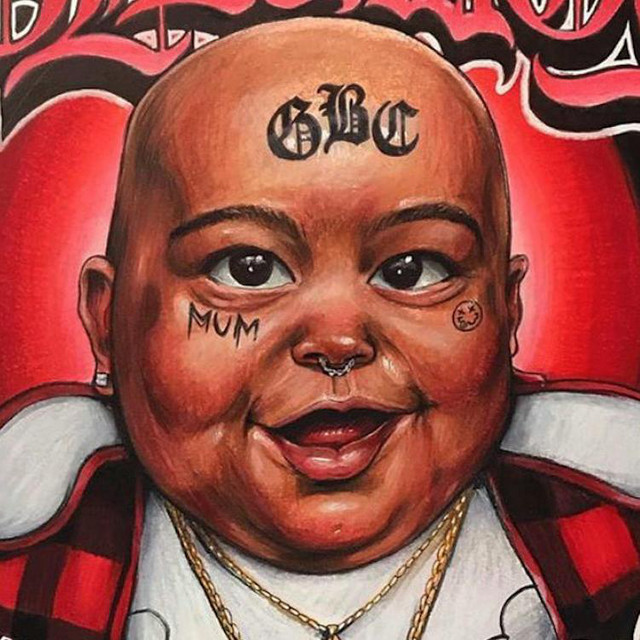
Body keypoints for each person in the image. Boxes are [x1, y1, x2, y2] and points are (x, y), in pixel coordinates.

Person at [1, 16, 640, 640]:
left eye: (413, 270)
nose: (337, 340)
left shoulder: (606, 557)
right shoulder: (33, 582)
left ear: (506, 309)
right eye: (247, 269)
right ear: (108, 322)